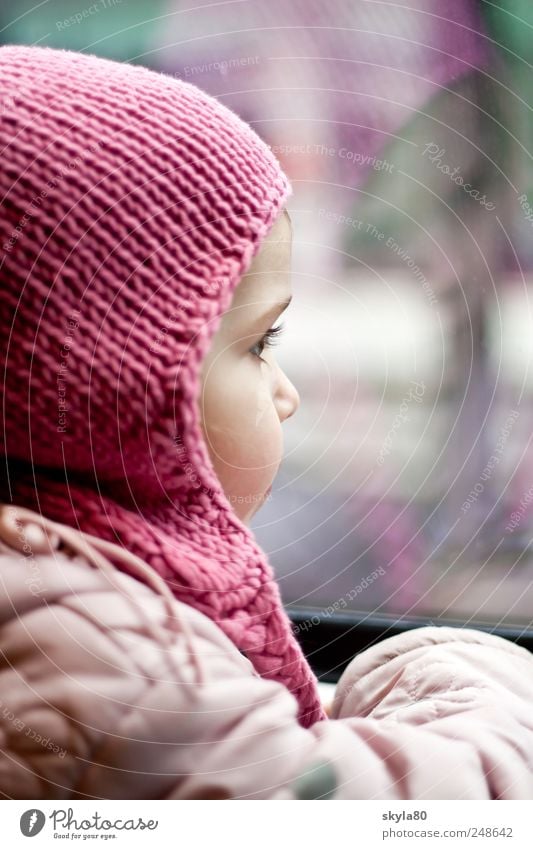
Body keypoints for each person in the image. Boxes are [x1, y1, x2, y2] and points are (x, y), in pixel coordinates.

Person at [0, 44, 532, 801]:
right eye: (257, 344)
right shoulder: (86, 645)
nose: (286, 395)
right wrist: (473, 684)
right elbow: (335, 814)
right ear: (99, 384)